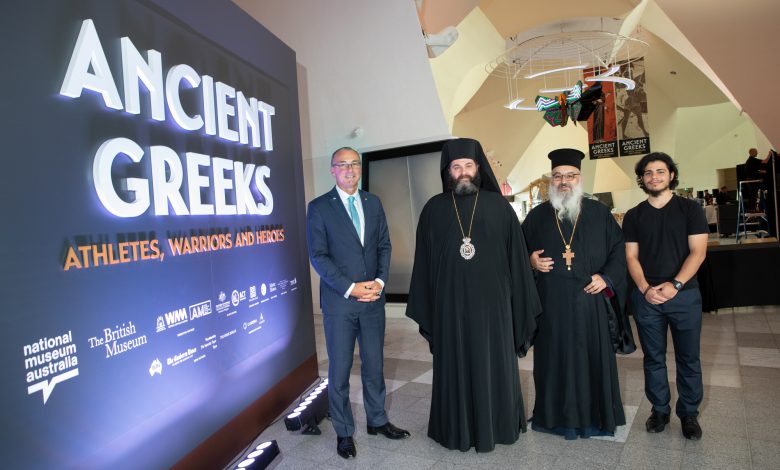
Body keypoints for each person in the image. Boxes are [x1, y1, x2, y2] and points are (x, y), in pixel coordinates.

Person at [405, 138, 542, 452]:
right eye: (456, 167)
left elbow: (518, 263)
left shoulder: (500, 208)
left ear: (478, 169)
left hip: (494, 308)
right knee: (454, 364)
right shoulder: (433, 210)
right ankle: (455, 427)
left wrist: (517, 304)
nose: (463, 172)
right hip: (449, 307)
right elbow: (424, 265)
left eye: (469, 166)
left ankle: (500, 423)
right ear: (448, 171)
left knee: (494, 363)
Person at [522, 148, 634, 440]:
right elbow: (515, 253)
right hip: (551, 306)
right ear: (551, 181)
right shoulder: (536, 217)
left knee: (591, 360)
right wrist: (530, 261)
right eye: (558, 176)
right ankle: (551, 417)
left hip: (591, 304)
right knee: (552, 361)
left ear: (580, 178)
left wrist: (605, 277)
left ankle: (597, 417)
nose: (564, 181)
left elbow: (618, 251)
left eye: (570, 175)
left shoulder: (599, 213)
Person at [306, 147, 410, 459]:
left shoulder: (372, 202)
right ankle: (343, 431)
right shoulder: (319, 207)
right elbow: (318, 256)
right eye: (342, 165)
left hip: (373, 301)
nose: (350, 170)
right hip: (341, 303)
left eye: (354, 164)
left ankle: (377, 420)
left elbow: (384, 245)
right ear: (332, 170)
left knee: (374, 366)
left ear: (360, 168)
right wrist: (351, 288)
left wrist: (378, 282)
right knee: (339, 371)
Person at [623, 152, 708, 440]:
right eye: (648, 173)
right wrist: (646, 288)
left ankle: (689, 414)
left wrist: (676, 285)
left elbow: (699, 252)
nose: (654, 177)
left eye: (660, 171)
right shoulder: (634, 215)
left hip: (684, 296)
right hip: (647, 299)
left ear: (671, 175)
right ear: (642, 178)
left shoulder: (690, 210)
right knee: (653, 358)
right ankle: (659, 410)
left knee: (688, 358)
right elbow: (631, 257)